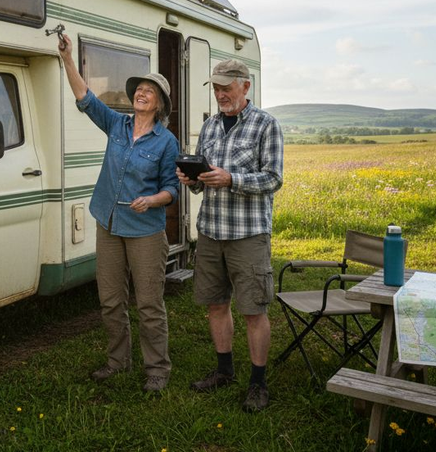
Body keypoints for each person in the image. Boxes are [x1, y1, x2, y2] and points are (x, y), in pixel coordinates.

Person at [57, 33, 179, 393]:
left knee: (149, 304)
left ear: (159, 104)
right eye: (139, 88)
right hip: (108, 224)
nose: (141, 93)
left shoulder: (165, 142)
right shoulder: (117, 125)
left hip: (145, 230)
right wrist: (67, 59)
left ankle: (157, 369)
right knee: (110, 300)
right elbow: (85, 98)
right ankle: (118, 361)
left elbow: (172, 189)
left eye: (149, 91)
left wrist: (152, 200)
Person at [178, 59, 283, 412]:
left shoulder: (266, 125)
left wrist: (232, 179)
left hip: (248, 235)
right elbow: (203, 181)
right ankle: (224, 370)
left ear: (245, 86)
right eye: (217, 88)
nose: (221, 94)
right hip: (210, 231)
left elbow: (273, 179)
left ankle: (258, 382)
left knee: (253, 309)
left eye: (227, 87)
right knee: (215, 305)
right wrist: (192, 179)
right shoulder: (208, 126)